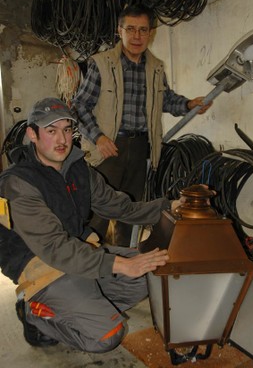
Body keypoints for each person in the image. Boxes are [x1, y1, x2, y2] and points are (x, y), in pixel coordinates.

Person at [0, 97, 184, 352]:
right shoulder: (19, 182)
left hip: (78, 252)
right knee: (108, 336)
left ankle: (84, 302)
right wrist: (121, 264)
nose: (62, 140)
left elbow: (122, 208)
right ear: (33, 134)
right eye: (51, 131)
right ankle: (35, 314)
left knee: (153, 272)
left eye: (66, 129)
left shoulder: (79, 169)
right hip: (40, 264)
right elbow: (55, 247)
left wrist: (170, 206)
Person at [71, 3, 212, 247]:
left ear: (151, 33)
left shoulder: (155, 68)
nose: (137, 36)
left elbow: (165, 100)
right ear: (120, 31)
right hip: (108, 149)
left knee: (131, 212)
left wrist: (189, 104)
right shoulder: (101, 64)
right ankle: (90, 267)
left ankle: (122, 265)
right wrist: (99, 138)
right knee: (99, 213)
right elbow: (78, 106)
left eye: (143, 30)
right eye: (131, 29)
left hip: (140, 149)